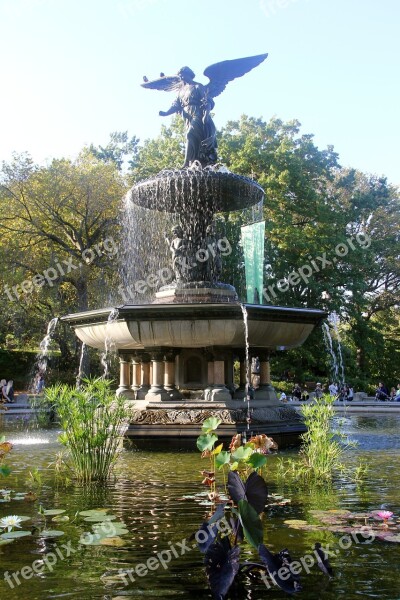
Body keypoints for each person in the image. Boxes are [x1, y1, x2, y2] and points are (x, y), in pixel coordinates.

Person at [159, 66, 218, 167]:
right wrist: (166, 113)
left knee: (190, 134)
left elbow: (207, 101)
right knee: (191, 138)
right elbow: (176, 105)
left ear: (189, 74)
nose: (180, 77)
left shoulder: (197, 86)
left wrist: (206, 115)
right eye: (179, 75)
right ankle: (194, 161)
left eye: (182, 74)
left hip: (198, 113)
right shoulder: (181, 91)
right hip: (187, 116)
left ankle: (187, 163)